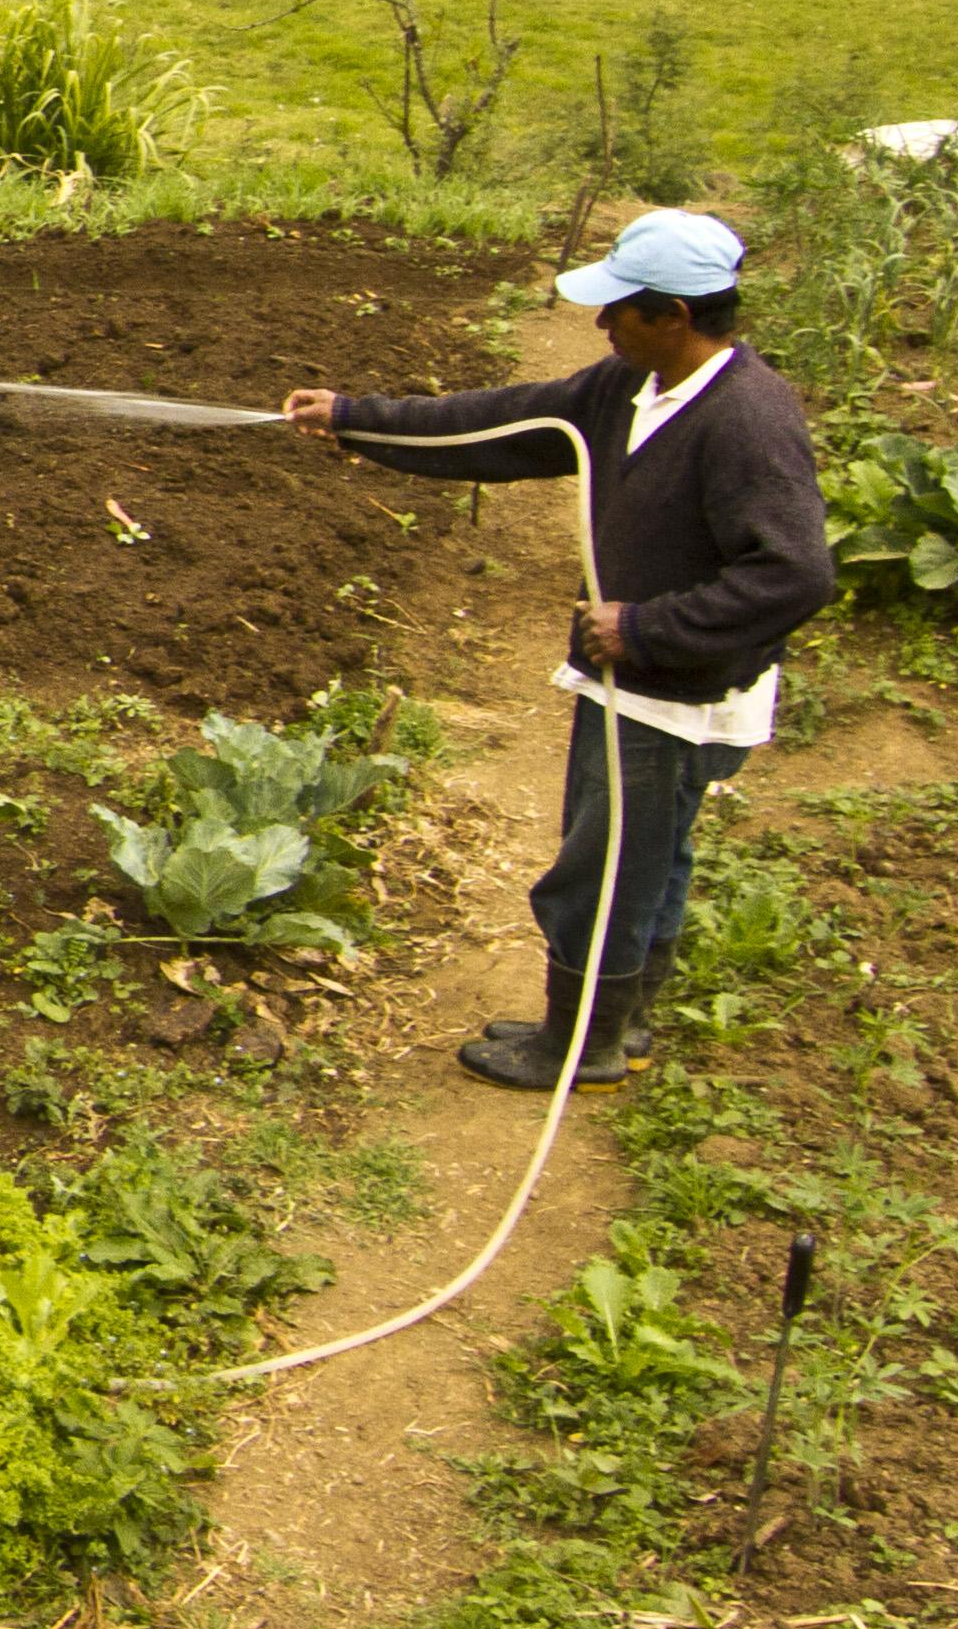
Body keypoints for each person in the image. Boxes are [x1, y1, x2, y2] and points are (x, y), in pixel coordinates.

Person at [279, 207, 832, 1091]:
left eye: (618, 309)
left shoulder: (746, 421)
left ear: (676, 317)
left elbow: (796, 574)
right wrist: (354, 419)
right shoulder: (631, 389)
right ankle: (623, 1020)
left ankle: (580, 1042)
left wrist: (647, 627)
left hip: (672, 695)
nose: (600, 323)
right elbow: (503, 424)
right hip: (646, 684)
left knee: (606, 865)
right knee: (654, 858)